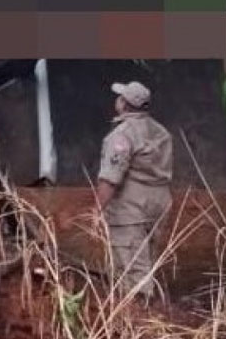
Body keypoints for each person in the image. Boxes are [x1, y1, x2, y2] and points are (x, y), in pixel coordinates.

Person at [94, 81, 173, 302]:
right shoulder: (162, 133)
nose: (117, 100)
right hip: (160, 203)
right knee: (146, 261)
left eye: (120, 97)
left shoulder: (122, 135)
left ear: (124, 104)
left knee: (132, 269)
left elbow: (110, 178)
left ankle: (140, 314)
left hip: (131, 207)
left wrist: (96, 210)